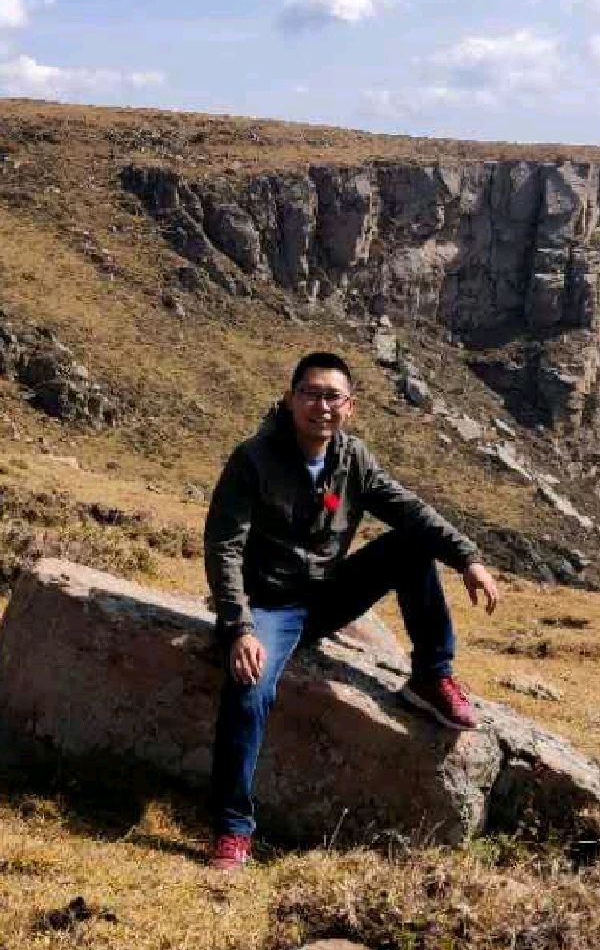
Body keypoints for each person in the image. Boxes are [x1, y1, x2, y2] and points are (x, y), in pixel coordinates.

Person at [203, 350, 500, 871]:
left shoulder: (351, 458)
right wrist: (239, 627)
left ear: (350, 406)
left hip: (326, 596)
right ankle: (232, 828)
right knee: (249, 687)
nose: (321, 406)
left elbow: (410, 510)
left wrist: (467, 558)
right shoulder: (253, 459)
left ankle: (431, 676)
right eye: (311, 394)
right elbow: (223, 548)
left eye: (332, 397)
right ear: (291, 399)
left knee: (410, 544)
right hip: (268, 606)